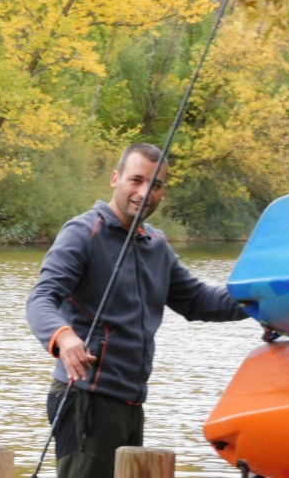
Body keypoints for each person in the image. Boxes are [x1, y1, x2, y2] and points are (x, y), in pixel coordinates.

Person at [26, 142, 248, 478]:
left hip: (131, 406)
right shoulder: (83, 233)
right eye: (136, 180)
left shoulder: (156, 244)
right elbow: (41, 298)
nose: (144, 192)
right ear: (116, 179)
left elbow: (198, 300)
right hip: (86, 401)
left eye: (155, 185)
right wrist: (64, 337)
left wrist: (262, 300)